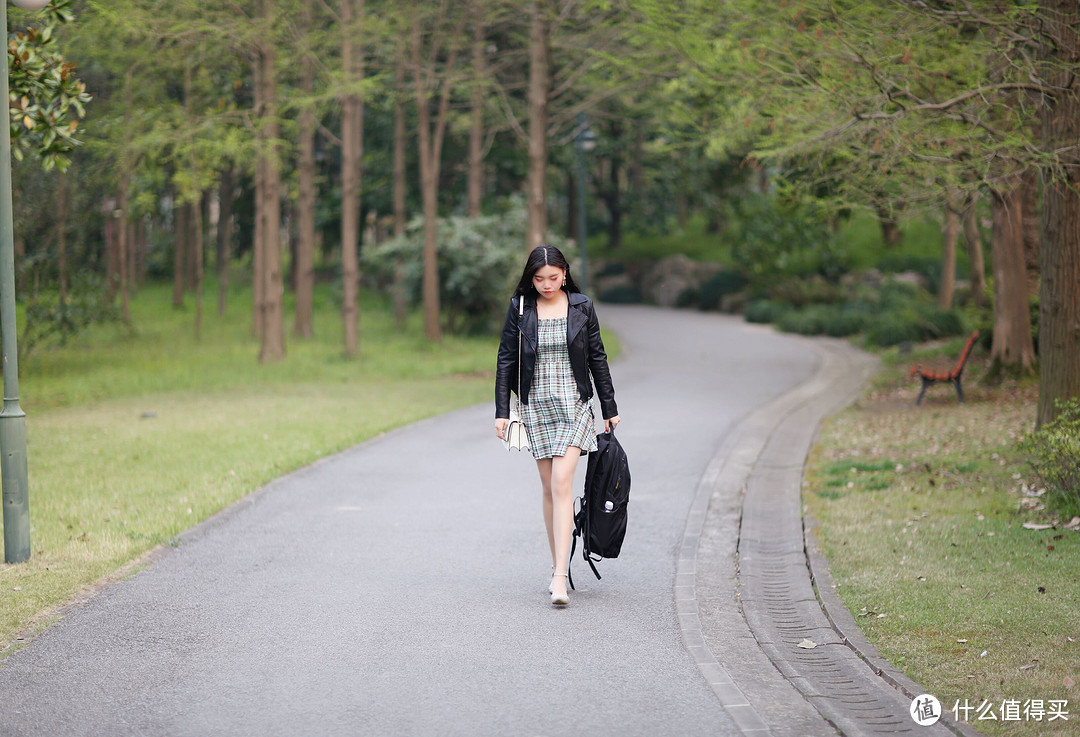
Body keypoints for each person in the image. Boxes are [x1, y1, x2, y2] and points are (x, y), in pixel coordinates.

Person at [495, 245, 620, 607]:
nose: (546, 284)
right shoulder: (520, 308)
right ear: (530, 279)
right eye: (539, 279)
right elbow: (505, 358)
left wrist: (608, 405)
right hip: (536, 405)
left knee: (562, 482)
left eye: (553, 277)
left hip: (574, 404)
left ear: (564, 273)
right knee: (549, 488)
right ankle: (556, 563)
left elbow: (597, 355)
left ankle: (560, 578)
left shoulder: (582, 306)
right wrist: (502, 410)